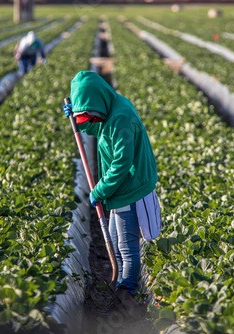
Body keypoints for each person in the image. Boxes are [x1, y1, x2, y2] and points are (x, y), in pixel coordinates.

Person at [63, 71, 161, 306]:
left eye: (89, 117)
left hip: (129, 186)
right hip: (119, 187)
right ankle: (120, 283)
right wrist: (80, 121)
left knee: (127, 247)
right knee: (116, 242)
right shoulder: (110, 109)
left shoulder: (121, 117)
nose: (90, 122)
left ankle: (127, 292)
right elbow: (101, 128)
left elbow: (121, 163)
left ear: (98, 103)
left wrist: (99, 191)